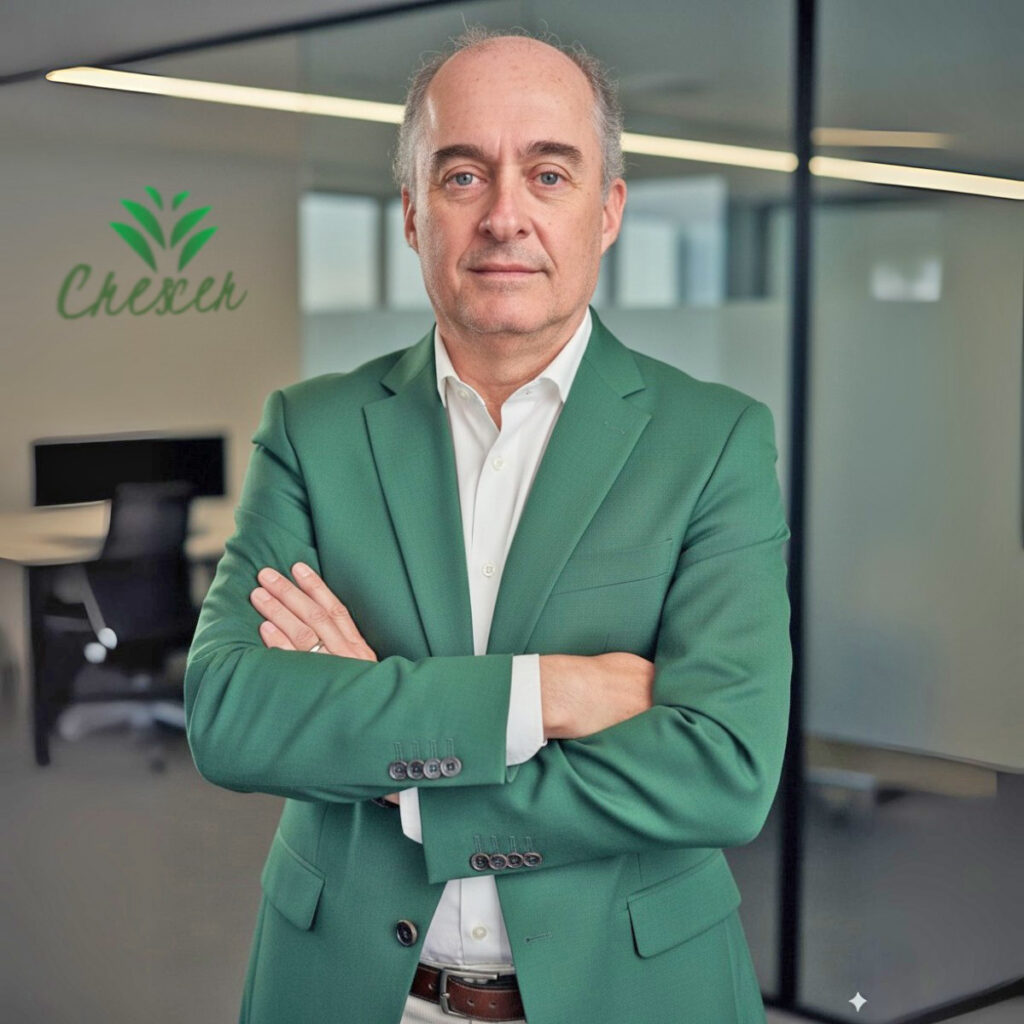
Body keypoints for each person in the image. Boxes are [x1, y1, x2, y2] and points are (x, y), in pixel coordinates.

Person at [184, 27, 791, 1024]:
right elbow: (231, 714)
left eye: (548, 174)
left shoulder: (713, 440)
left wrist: (402, 769)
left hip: (629, 991)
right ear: (413, 214)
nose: (506, 216)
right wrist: (547, 691)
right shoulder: (312, 431)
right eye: (463, 175)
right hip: (347, 989)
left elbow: (722, 769)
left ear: (608, 211)